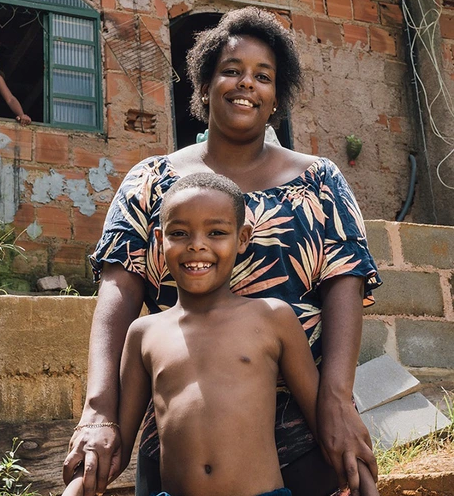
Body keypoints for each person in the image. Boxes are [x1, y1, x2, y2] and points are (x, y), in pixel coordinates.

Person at [63, 7, 382, 496]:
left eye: (263, 76)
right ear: (205, 85)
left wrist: (337, 400)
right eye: (231, 71)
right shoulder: (152, 181)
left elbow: (346, 282)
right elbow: (117, 292)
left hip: (306, 433)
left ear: (277, 97)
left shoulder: (319, 180)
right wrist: (99, 411)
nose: (246, 84)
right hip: (182, 444)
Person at [63, 173, 377, 496]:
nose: (197, 244)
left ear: (242, 238)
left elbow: (326, 427)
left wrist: (366, 485)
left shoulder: (273, 319)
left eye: (216, 232)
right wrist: (77, 486)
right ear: (159, 239)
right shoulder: (144, 335)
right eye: (179, 233)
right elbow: (117, 449)